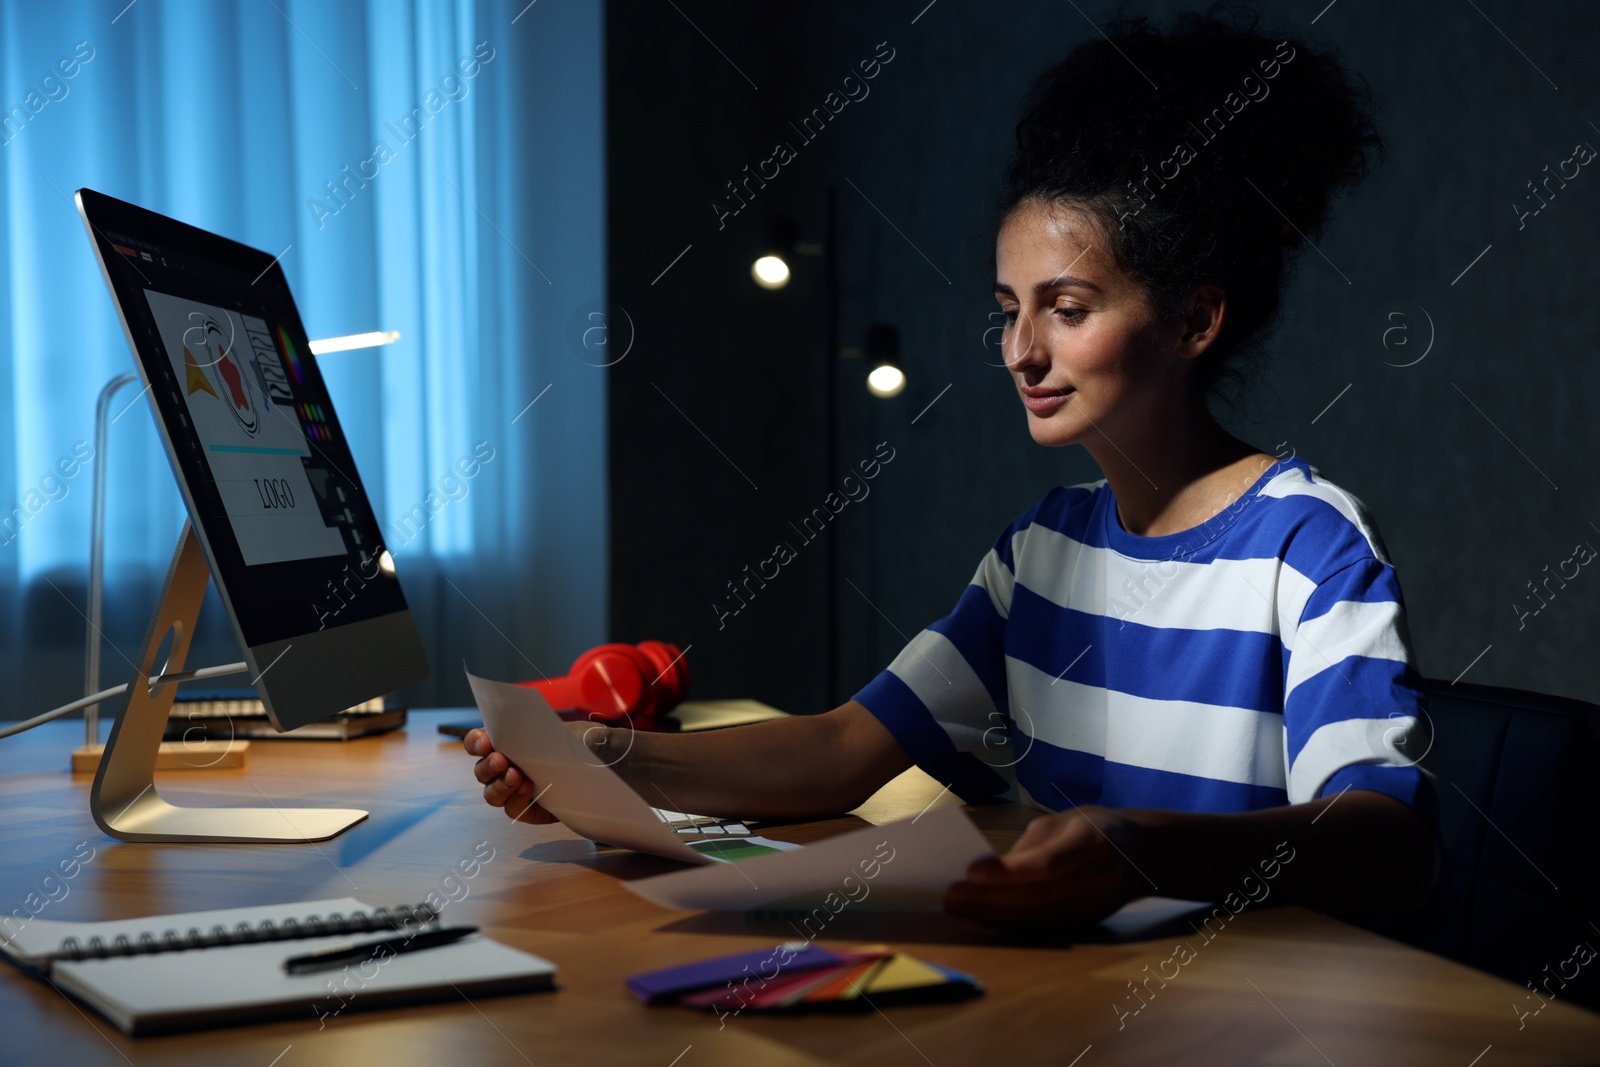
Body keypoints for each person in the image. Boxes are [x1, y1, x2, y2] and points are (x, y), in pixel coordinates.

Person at [466, 4, 1440, 931]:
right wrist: (604, 759)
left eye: (1066, 307)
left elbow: (1381, 837)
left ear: (1193, 319)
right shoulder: (1038, 556)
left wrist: (1143, 849)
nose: (1020, 351)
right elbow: (841, 749)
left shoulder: (1307, 547)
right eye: (1008, 308)